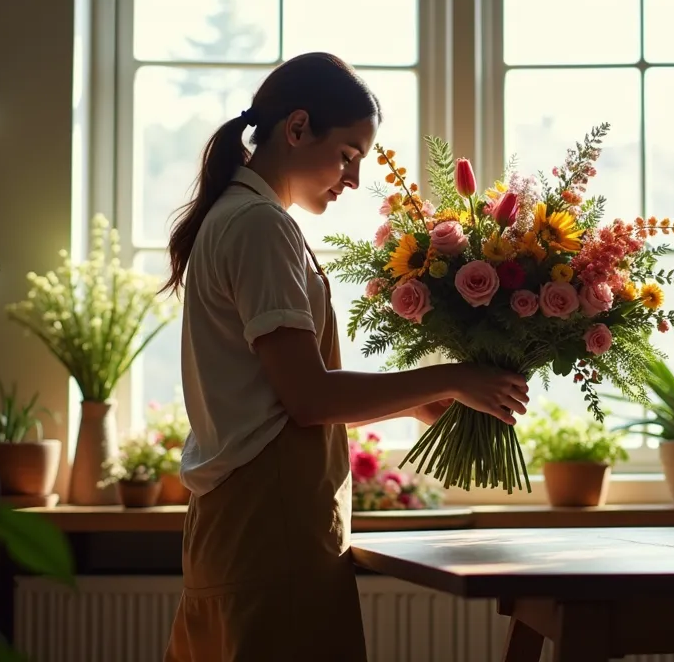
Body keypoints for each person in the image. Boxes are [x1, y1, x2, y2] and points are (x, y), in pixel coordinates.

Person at [160, 52, 529, 662]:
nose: (353, 179)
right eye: (349, 155)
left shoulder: (236, 217)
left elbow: (280, 401)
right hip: (270, 525)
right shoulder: (258, 226)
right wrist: (459, 376)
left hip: (236, 521)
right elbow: (309, 400)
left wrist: (415, 403)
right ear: (297, 128)